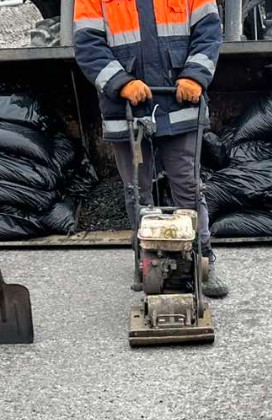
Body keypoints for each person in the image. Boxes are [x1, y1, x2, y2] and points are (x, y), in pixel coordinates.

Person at [73, 0, 230, 298]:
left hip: (181, 104)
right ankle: (145, 258)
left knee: (188, 187)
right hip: (126, 110)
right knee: (136, 189)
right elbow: (87, 44)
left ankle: (203, 257)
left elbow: (208, 30)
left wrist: (195, 74)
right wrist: (121, 82)